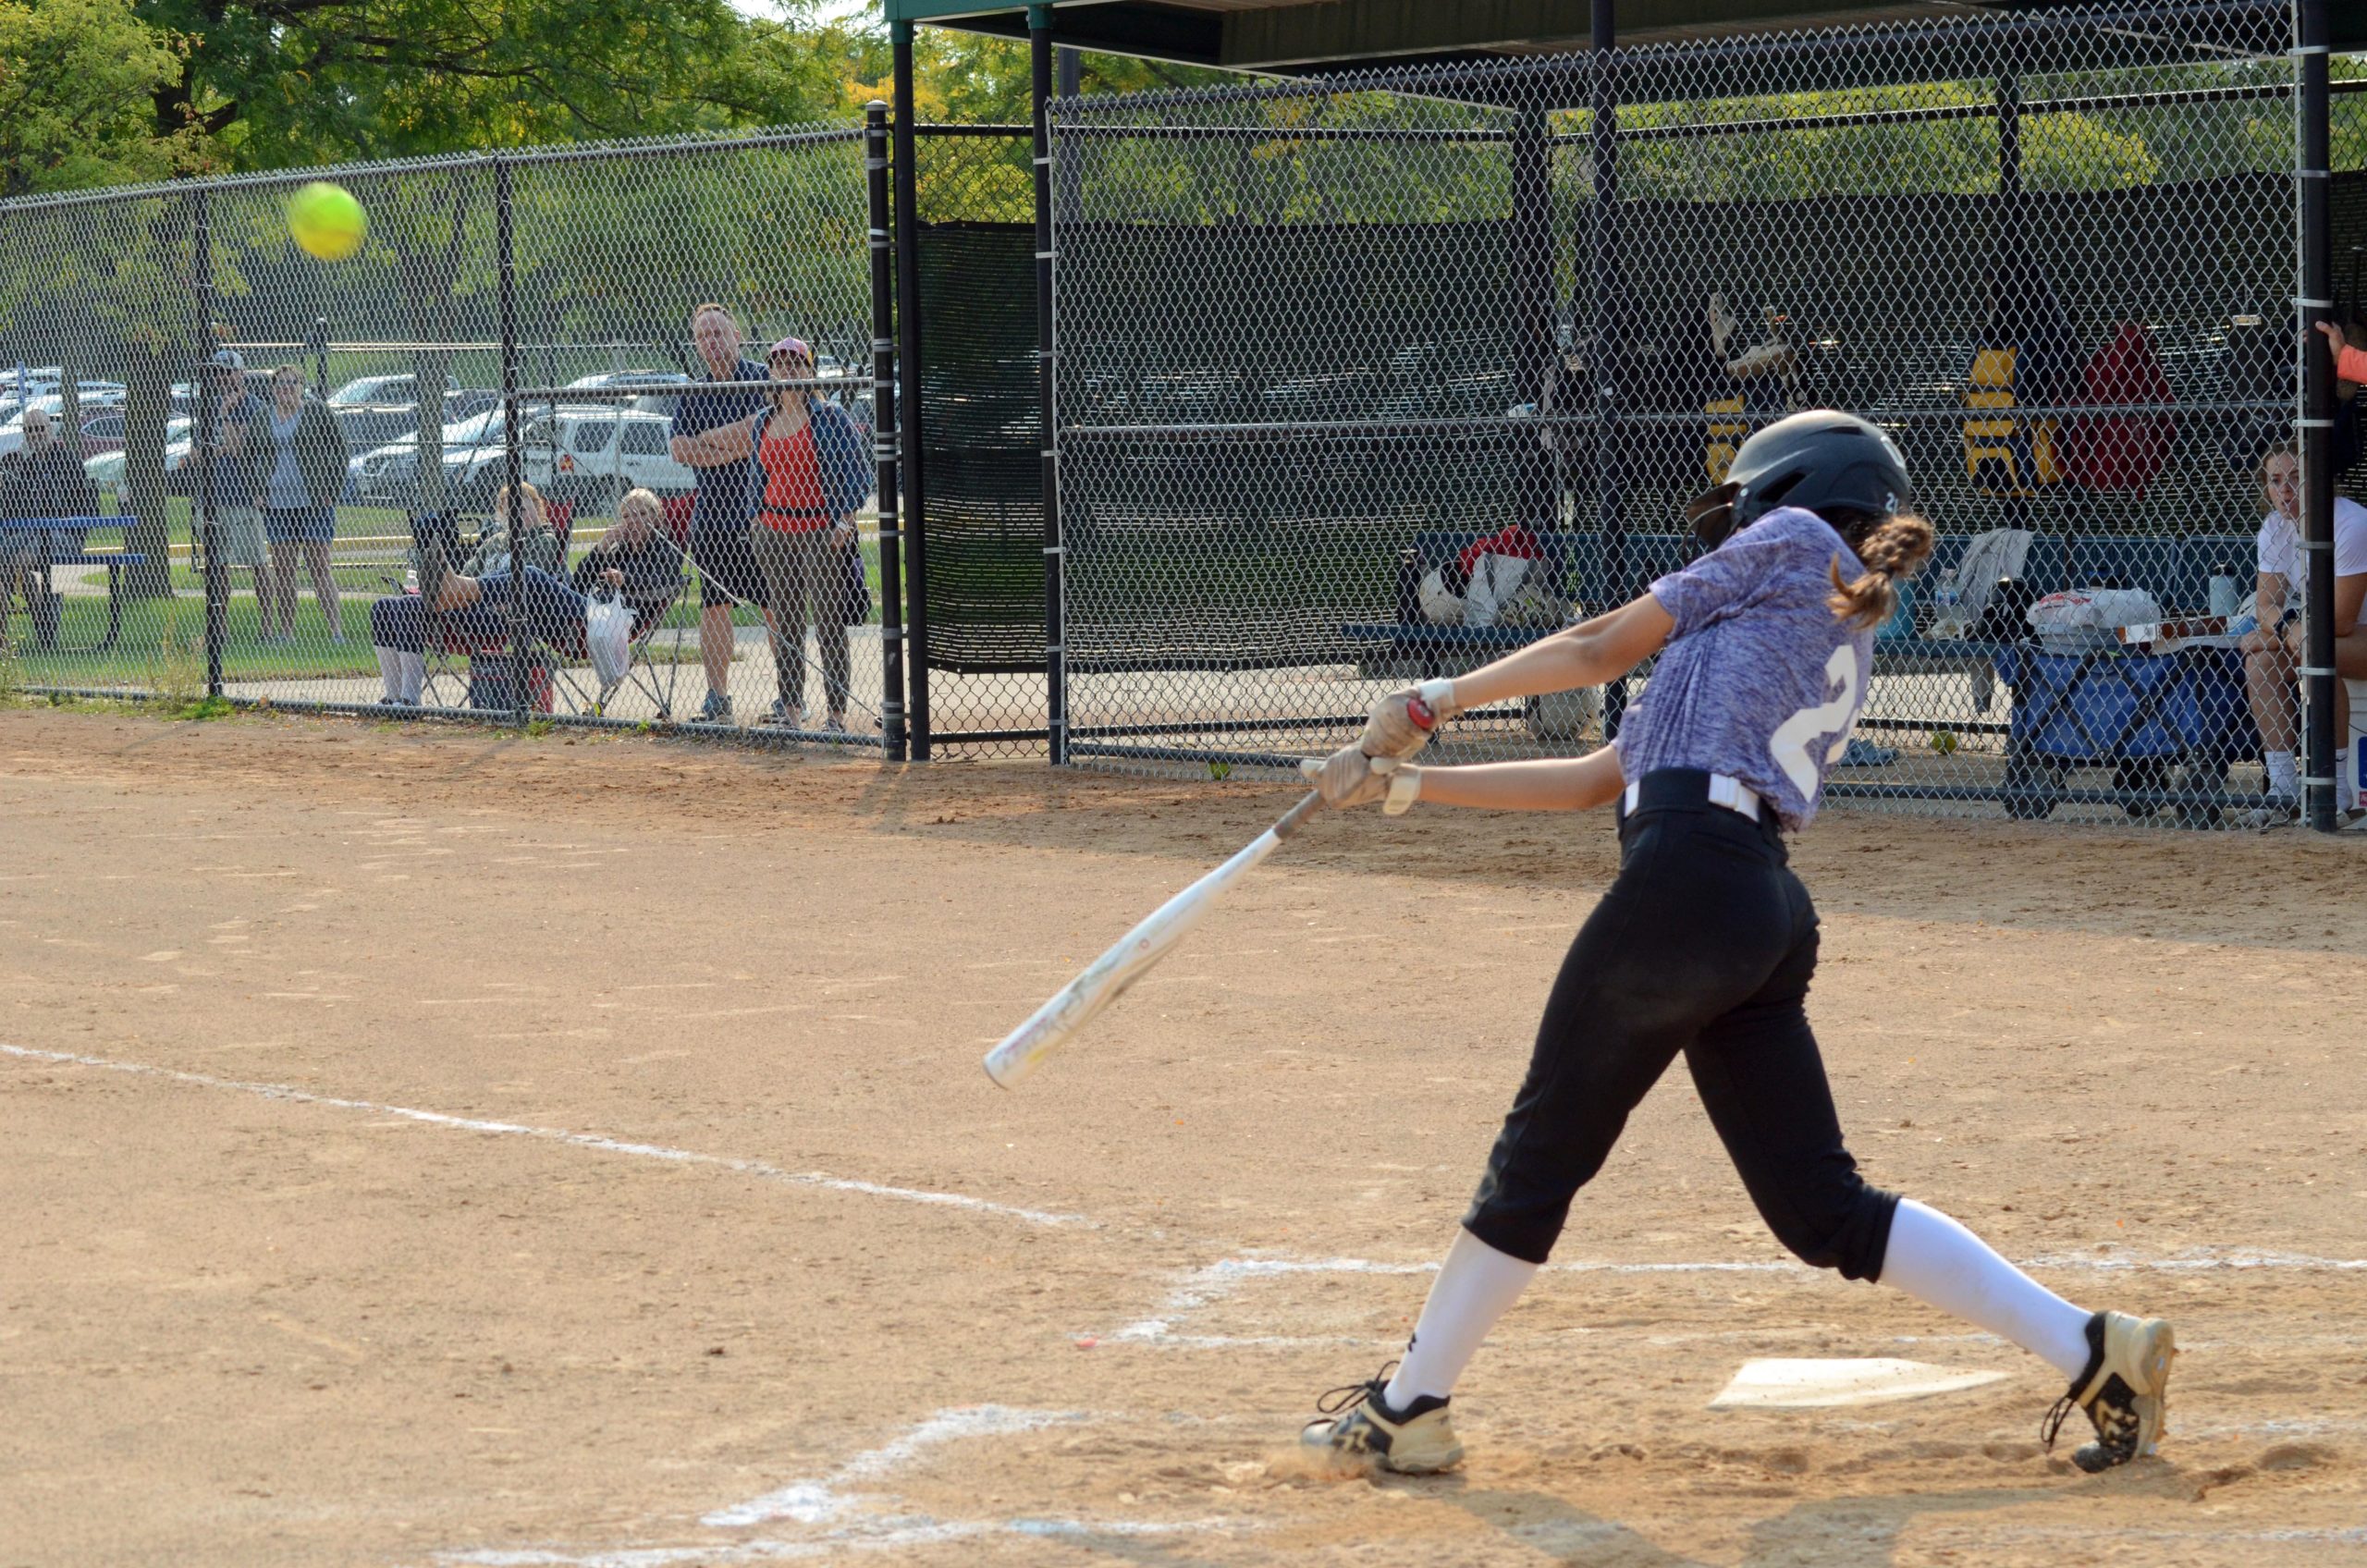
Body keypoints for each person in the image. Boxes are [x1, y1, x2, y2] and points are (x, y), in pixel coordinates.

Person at [1294, 410, 2174, 1479]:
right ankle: (2093, 1349)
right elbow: (1593, 778)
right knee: (1822, 1210)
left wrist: (1433, 698)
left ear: (1789, 493)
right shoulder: (1793, 622)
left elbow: (1591, 647)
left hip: (1691, 886)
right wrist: (1404, 785)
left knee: (1539, 1152)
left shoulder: (1799, 543)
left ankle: (1406, 1407)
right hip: (1748, 904)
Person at [2237, 434, 2367, 828]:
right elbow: (2265, 605)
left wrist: (2292, 630)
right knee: (2260, 657)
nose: (2285, 491)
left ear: (2318, 478)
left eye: (2296, 477)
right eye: (2275, 481)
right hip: (2319, 632)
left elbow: (2343, 620)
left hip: (2358, 631)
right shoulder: (2275, 528)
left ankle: (2337, 792)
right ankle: (2283, 789)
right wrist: (2287, 629)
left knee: (2315, 651)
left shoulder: (2350, 522)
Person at [745, 335, 873, 729]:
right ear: (771, 371)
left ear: (810, 370)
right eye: (779, 363)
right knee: (786, 622)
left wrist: (845, 520)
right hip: (772, 529)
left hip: (821, 528)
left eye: (796, 362)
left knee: (829, 620)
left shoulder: (830, 418)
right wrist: (753, 520)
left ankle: (835, 712)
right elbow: (757, 476)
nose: (787, 368)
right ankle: (790, 707)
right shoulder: (764, 420)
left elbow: (858, 475)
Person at [667, 304, 774, 722]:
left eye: (718, 333)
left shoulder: (760, 379)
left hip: (761, 512)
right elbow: (679, 449)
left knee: (774, 602)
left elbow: (760, 434)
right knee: (713, 604)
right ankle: (717, 697)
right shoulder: (695, 390)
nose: (711, 342)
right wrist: (735, 443)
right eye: (702, 336)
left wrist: (710, 442)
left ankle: (788, 696)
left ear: (737, 335)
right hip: (711, 513)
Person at [367, 484, 567, 705]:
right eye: (511, 513)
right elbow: (464, 579)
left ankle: (409, 700)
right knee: (383, 607)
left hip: (501, 619)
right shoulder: (494, 542)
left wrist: (470, 596)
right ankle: (393, 697)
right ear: (503, 515)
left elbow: (530, 587)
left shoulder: (543, 540)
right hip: (466, 611)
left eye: (523, 511)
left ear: (538, 508)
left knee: (409, 607)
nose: (518, 518)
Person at [256, 364, 352, 643]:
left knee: (319, 567)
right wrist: (257, 490)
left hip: (314, 503)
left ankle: (336, 631)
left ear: (301, 385)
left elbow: (341, 450)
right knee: (284, 569)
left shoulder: (317, 412)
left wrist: (331, 490)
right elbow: (250, 456)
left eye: (291, 382)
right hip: (277, 504)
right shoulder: (264, 417)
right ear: (273, 389)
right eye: (279, 383)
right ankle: (286, 633)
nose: (285, 388)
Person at [0, 406, 103, 653]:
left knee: (18, 562)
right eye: (29, 430)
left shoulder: (68, 461)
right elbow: (14, 509)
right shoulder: (26, 466)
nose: (34, 434)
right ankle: (6, 636)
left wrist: (68, 520)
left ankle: (43, 625)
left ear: (50, 429)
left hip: (62, 536)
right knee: (8, 560)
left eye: (39, 429)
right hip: (30, 534)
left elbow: (88, 507)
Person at [194, 349, 272, 623]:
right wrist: (219, 448)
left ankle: (268, 626)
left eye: (227, 371)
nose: (221, 377)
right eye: (217, 372)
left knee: (258, 563)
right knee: (216, 565)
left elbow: (239, 450)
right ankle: (219, 626)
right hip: (211, 497)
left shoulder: (255, 408)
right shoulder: (206, 406)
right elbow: (196, 453)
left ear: (241, 373)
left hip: (244, 495)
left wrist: (226, 415)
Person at [570, 486, 683, 637]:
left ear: (657, 519)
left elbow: (660, 586)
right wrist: (600, 550)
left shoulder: (667, 549)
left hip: (627, 615)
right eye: (626, 516)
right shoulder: (621, 551)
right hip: (599, 608)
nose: (632, 521)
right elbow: (577, 584)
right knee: (541, 587)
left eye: (641, 514)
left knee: (535, 580)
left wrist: (624, 580)